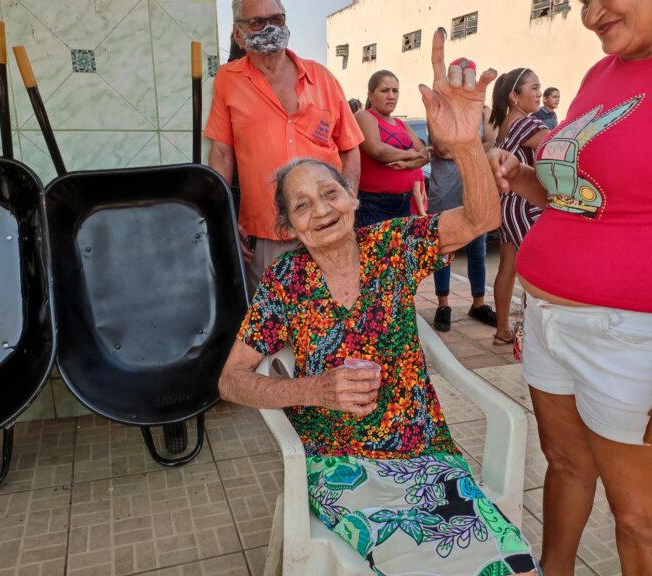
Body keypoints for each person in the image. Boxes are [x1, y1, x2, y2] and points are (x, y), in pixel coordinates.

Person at [219, 29, 537, 576]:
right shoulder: (286, 281)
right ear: (288, 227)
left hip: (424, 453)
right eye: (301, 206)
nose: (321, 210)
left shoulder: (392, 245)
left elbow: (480, 219)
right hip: (340, 464)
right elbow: (230, 381)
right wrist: (313, 389)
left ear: (352, 197)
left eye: (329, 193)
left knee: (509, 566)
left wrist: (465, 146)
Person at [488, 0, 652, 573]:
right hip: (548, 322)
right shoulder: (599, 74)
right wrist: (522, 177)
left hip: (639, 341)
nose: (590, 15)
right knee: (564, 466)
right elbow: (577, 199)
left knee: (642, 520)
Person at [206, 0, 363, 289]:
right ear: (239, 34)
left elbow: (350, 147)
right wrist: (223, 215)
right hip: (269, 232)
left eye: (277, 20)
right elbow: (221, 153)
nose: (270, 29)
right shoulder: (228, 80)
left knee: (338, 305)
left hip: (329, 224)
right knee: (274, 312)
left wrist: (349, 197)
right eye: (257, 22)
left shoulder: (322, 78)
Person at [429, 58, 497, 332]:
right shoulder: (438, 106)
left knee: (478, 251)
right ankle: (443, 305)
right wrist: (471, 146)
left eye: (470, 74)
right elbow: (441, 147)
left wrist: (461, 145)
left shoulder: (484, 110)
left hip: (472, 187)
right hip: (444, 191)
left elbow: (491, 141)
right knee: (443, 251)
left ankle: (478, 303)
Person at [489, 69, 549, 346]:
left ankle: (502, 331)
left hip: (506, 203)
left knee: (508, 267)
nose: (539, 93)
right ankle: (532, 336)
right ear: (514, 95)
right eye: (534, 88)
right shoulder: (527, 124)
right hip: (526, 203)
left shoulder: (504, 124)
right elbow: (559, 148)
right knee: (537, 272)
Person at [354, 70, 429, 227]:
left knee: (400, 244)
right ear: (370, 95)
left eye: (395, 91)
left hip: (404, 202)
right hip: (375, 204)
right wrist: (409, 154)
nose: (391, 96)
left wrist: (406, 164)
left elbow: (424, 156)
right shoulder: (364, 116)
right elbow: (377, 150)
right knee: (378, 244)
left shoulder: (401, 124)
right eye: (384, 90)